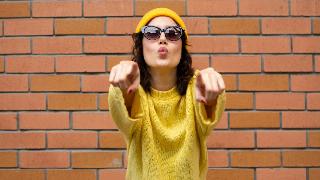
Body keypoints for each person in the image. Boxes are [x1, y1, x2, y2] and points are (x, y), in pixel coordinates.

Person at [108, 7, 226, 180]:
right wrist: (124, 88)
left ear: (182, 46)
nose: (162, 38)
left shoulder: (197, 88)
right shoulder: (133, 91)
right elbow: (124, 107)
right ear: (141, 44)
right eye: (152, 33)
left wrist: (212, 91)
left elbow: (208, 112)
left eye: (172, 33)